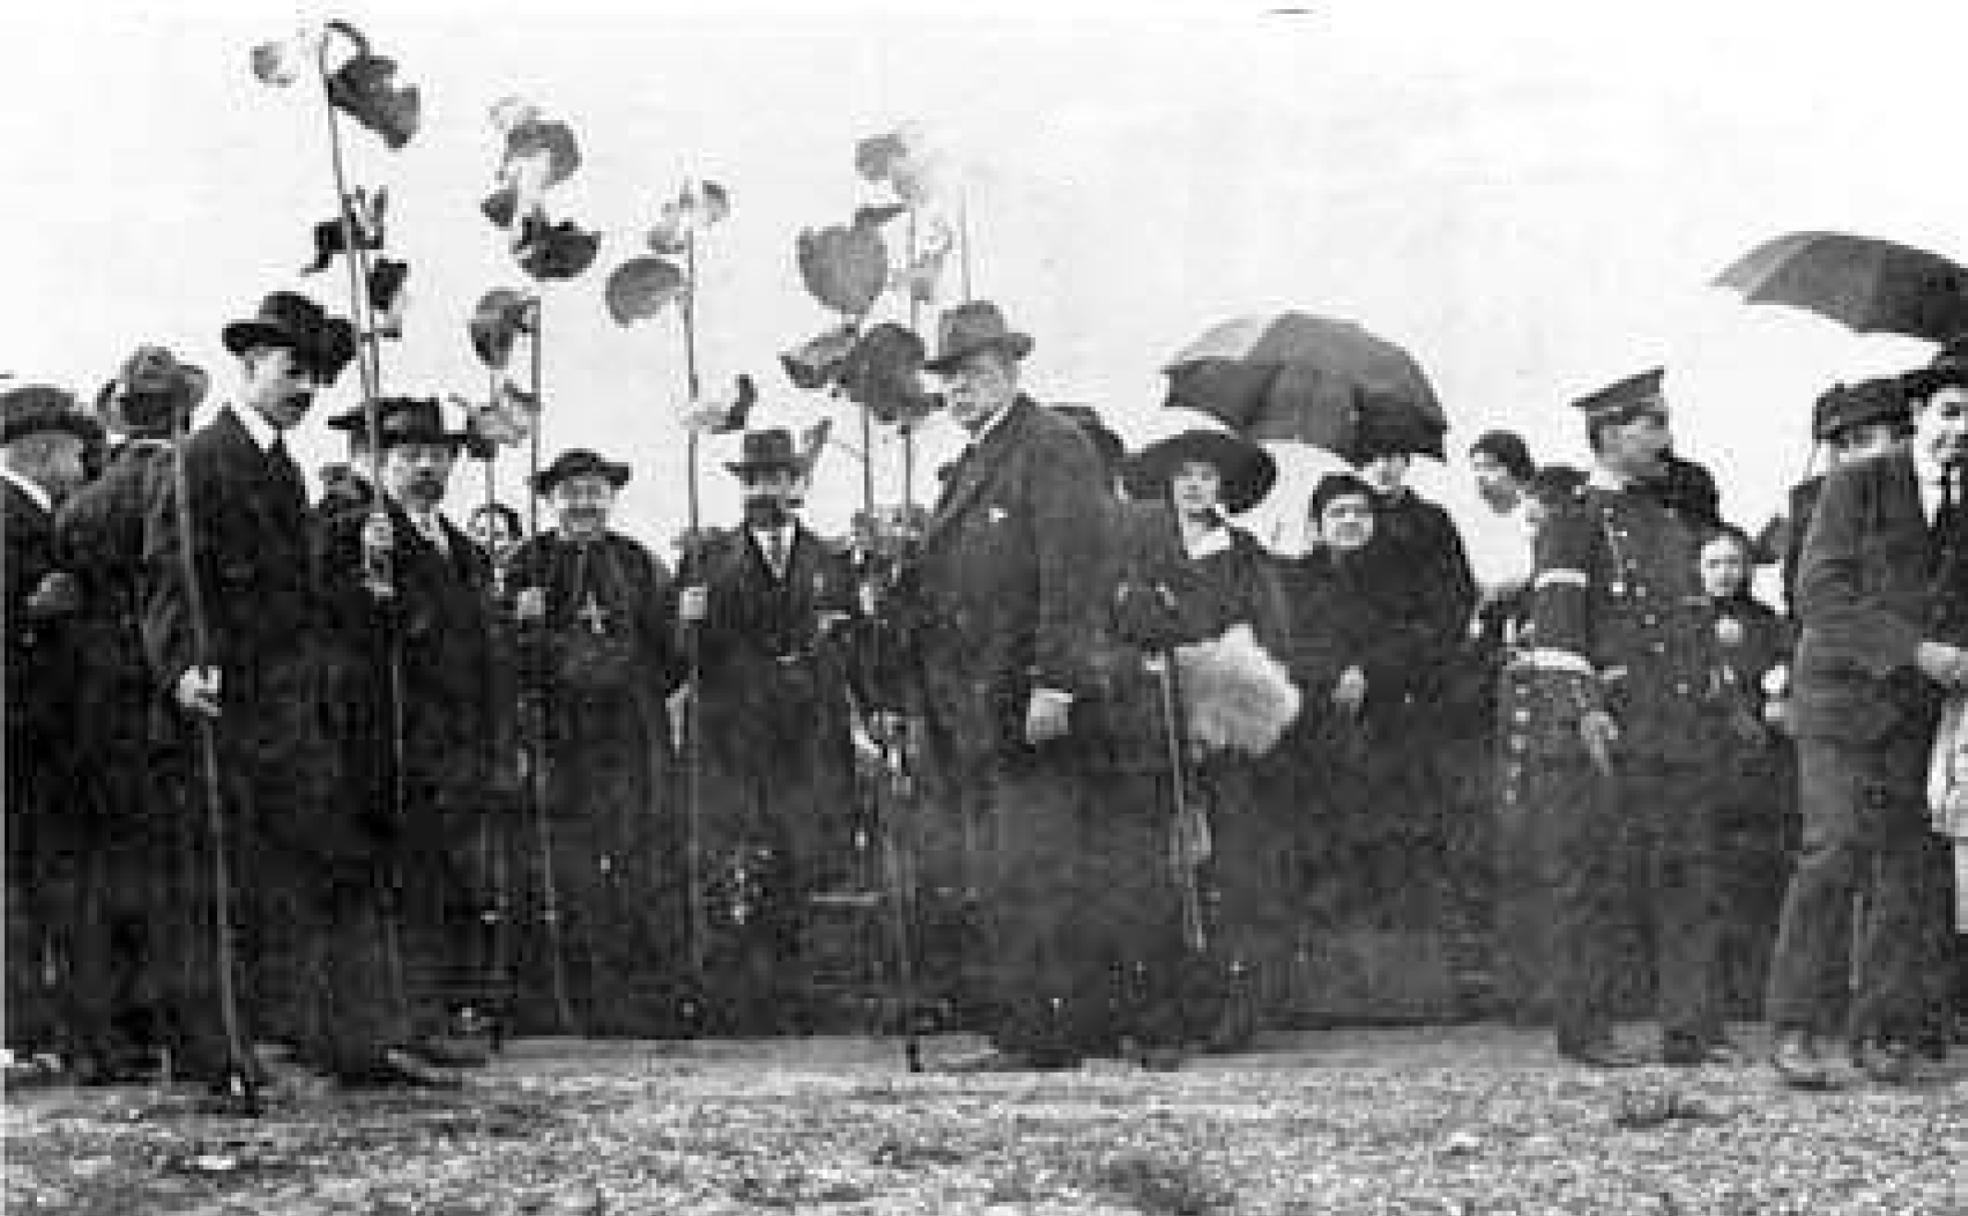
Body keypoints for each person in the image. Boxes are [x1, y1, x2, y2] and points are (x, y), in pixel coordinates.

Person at [141, 291, 456, 1090]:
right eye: (294, 371)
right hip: (224, 699)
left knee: (320, 869)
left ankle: (344, 1043)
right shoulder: (197, 459)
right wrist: (181, 666)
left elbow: (302, 592)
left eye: (317, 375)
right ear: (250, 365)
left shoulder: (283, 470)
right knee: (221, 880)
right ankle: (216, 1056)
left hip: (291, 704)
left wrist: (366, 576)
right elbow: (169, 572)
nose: (308, 388)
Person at [901, 300, 1112, 1070]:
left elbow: (1072, 574)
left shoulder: (1050, 445)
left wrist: (1056, 683)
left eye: (974, 374)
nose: (958, 390)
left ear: (1011, 371)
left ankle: (1046, 1036)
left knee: (1035, 867)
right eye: (950, 379)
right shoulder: (973, 461)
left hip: (1027, 700)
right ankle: (1020, 1029)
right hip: (973, 705)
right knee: (998, 867)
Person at [1765, 356, 1968, 1088]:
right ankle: (1795, 1026)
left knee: (1906, 864)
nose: (1962, 431)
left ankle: (1881, 1030)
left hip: (1917, 712)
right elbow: (1819, 592)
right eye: (1951, 412)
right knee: (1835, 847)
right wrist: (1917, 651)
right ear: (1917, 415)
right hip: (1840, 701)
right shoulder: (1857, 485)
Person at [1523, 367, 1733, 1068]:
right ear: (1610, 434)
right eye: (1655, 424)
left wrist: (1718, 699)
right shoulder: (1573, 519)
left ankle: (1692, 1031)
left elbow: (1691, 626)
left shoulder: (1667, 521)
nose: (1668, 438)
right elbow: (1556, 632)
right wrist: (1584, 712)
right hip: (1609, 730)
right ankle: (1585, 1032)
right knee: (1591, 883)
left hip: (1674, 727)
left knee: (1688, 877)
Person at [317, 397, 499, 1065]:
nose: (425, 468)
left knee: (439, 878)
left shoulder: (467, 552)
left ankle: (429, 1017)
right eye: (409, 456)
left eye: (437, 456)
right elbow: (328, 623)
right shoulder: (349, 533)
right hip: (383, 736)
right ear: (381, 464)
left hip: (451, 743)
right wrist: (369, 579)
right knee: (385, 879)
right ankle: (382, 1027)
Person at [673, 427, 863, 1033]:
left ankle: (795, 995)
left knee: (799, 857)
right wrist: (688, 620)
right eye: (755, 480)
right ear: (742, 486)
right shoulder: (706, 560)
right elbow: (679, 657)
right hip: (735, 735)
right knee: (737, 859)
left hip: (808, 737)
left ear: (797, 485)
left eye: (779, 479)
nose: (767, 492)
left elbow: (854, 646)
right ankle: (737, 998)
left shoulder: (831, 561)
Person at [1110, 428, 1291, 1055]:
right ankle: (1165, 1005)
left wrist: (1217, 676)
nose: (1194, 487)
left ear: (1223, 488)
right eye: (1184, 476)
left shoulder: (1244, 556)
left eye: (1207, 477)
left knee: (1230, 863)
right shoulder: (1138, 553)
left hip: (1224, 722)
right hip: (1152, 720)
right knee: (1159, 861)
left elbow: (1269, 636)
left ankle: (1234, 1004)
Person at [52, 349, 206, 1081]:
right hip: (168, 697)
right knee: (176, 871)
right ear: (185, 414)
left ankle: (106, 1033)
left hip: (96, 707)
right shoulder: (180, 485)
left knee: (106, 870)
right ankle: (175, 1027)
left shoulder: (83, 504)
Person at [508, 448, 687, 1036]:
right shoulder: (526, 563)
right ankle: (566, 1000)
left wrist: (688, 626)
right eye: (571, 492)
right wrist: (520, 622)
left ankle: (636, 998)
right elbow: (504, 657)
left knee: (634, 858)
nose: (583, 503)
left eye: (594, 491)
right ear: (550, 500)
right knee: (568, 864)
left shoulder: (638, 563)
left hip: (628, 735)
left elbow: (671, 659)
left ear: (611, 498)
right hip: (560, 735)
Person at [1355, 429, 1492, 1014]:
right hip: (1362, 695)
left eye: (1393, 457)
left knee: (1423, 823)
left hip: (1420, 688)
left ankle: (1429, 976)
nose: (1383, 469)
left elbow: (1454, 600)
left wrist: (1415, 649)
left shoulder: (1431, 522)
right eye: (1372, 459)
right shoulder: (1344, 516)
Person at [3, 385, 98, 1074]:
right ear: (41, 452)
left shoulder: (37, 515)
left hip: (40, 727)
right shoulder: (13, 518)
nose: (82, 464)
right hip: (27, 727)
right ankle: (27, 1028)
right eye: (73, 452)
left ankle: (35, 1027)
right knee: (29, 876)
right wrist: (31, 615)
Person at [1691, 524, 1793, 1020]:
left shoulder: (1769, 623)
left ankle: (1753, 989)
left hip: (1757, 766)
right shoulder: (1684, 622)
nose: (1724, 573)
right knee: (1704, 876)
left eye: (1733, 563)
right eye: (1713, 564)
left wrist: (1778, 696)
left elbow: (1784, 672)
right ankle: (1708, 991)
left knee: (1754, 875)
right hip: (1704, 760)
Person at [1778, 378, 1912, 618]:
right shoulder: (1812, 505)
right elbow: (1799, 600)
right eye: (1841, 445)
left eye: (1863, 441)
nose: (1848, 457)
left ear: (1904, 440)